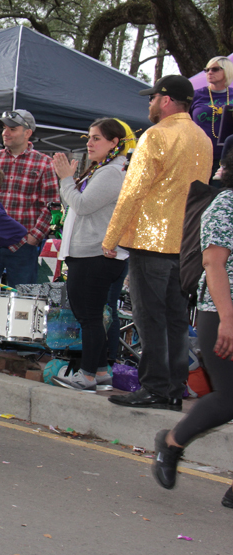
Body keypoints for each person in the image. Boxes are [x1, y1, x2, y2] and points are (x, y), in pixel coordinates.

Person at [104, 75, 213, 411]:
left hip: (151, 240)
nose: (149, 103)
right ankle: (174, 388)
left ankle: (153, 387)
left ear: (166, 100)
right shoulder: (203, 139)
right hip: (186, 241)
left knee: (150, 317)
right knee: (177, 319)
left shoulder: (157, 135)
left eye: (152, 98)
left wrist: (111, 238)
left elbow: (132, 191)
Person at [151, 151, 233, 510]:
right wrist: (228, 319)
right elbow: (213, 264)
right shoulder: (224, 205)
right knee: (229, 397)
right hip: (222, 311)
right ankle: (171, 442)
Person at [51, 118, 135, 392]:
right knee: (93, 315)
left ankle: (86, 375)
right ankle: (99, 371)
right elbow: (75, 204)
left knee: (89, 316)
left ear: (114, 143)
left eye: (97, 138)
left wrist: (65, 179)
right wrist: (70, 183)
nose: (89, 143)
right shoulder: (102, 170)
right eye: (88, 137)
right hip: (91, 254)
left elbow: (82, 205)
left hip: (94, 255)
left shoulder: (111, 172)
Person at [0, 109, 59, 286]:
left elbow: (52, 206)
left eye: (12, 129)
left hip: (23, 246)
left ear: (27, 133)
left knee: (22, 302)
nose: (5, 133)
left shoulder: (44, 163)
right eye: (5, 128)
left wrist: (33, 238)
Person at [190, 56, 233, 173]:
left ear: (227, 70)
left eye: (215, 69)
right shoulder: (196, 95)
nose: (209, 72)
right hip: (199, 155)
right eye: (207, 70)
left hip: (228, 157)